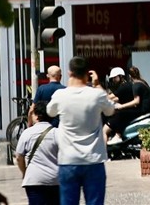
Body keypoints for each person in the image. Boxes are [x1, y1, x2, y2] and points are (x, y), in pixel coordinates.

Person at [47, 56, 116, 205]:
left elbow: (50, 112)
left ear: (69, 73)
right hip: (94, 159)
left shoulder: (60, 95)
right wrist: (97, 85)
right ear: (88, 73)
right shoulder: (97, 95)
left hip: (68, 160)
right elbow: (110, 110)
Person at [15, 100, 60, 205]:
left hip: (34, 180)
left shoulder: (27, 133)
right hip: (55, 180)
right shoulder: (57, 133)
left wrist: (24, 172)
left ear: (35, 115)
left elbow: (18, 157)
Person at [102, 67, 140, 143]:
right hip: (127, 113)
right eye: (112, 78)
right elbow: (116, 98)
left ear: (121, 76)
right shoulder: (127, 85)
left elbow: (111, 97)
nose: (113, 80)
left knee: (104, 131)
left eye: (115, 77)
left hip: (124, 114)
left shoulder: (124, 86)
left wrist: (98, 98)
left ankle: (104, 150)